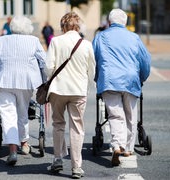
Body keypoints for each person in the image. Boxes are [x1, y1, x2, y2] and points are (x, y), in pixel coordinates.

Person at [92, 8, 151, 167]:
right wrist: (142, 78)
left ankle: (116, 145)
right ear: (125, 22)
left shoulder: (100, 37)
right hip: (131, 80)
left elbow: (94, 60)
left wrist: (97, 78)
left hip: (109, 80)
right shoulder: (134, 37)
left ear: (109, 22)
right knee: (131, 115)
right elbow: (145, 62)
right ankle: (128, 148)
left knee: (115, 115)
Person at [0, 15, 46, 166]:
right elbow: (44, 62)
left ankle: (13, 150)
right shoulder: (33, 41)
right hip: (26, 81)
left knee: (7, 115)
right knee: (23, 111)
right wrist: (44, 81)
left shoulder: (0, 40)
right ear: (28, 28)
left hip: (4, 81)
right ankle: (24, 143)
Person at [45, 12, 95, 179]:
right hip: (78, 91)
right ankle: (76, 167)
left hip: (58, 89)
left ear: (63, 26)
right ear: (78, 26)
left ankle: (58, 159)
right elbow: (92, 70)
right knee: (77, 128)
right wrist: (87, 87)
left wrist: (51, 80)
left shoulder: (56, 42)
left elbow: (48, 67)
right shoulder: (86, 44)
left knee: (58, 124)